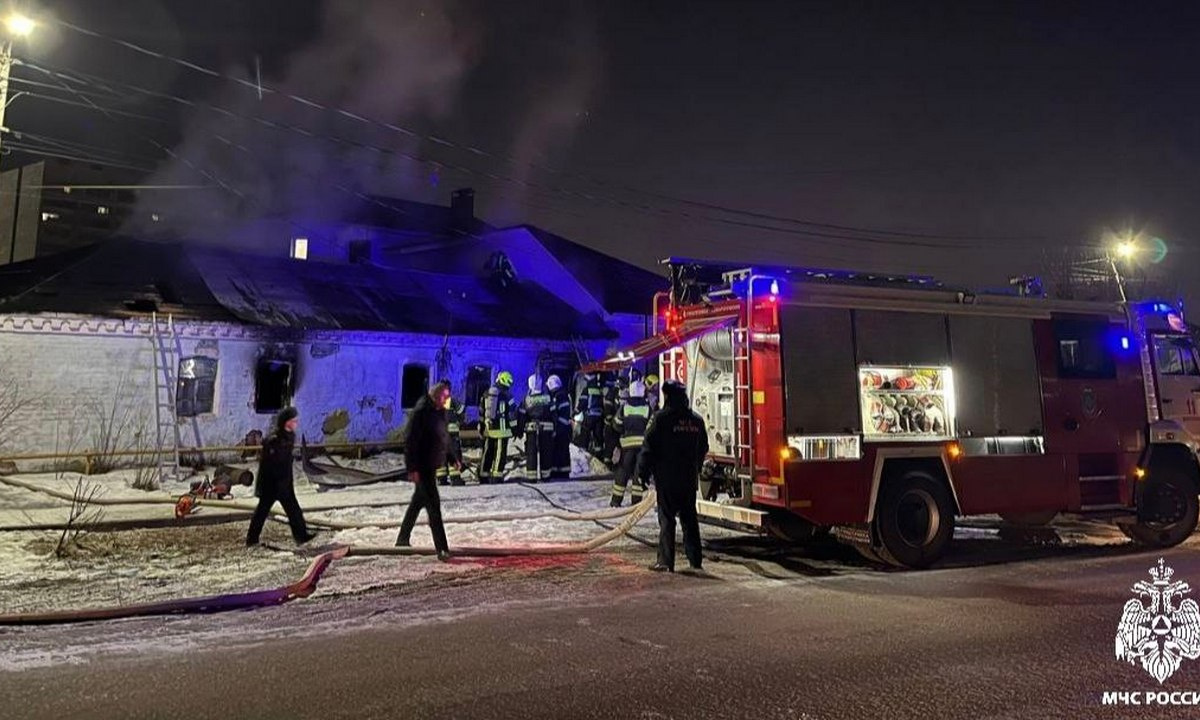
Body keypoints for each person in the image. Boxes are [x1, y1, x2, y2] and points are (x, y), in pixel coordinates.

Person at [638, 380, 709, 573]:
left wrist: (641, 473)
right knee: (689, 518)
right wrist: (696, 466)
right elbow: (703, 447)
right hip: (687, 478)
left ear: (667, 396)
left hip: (667, 478)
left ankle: (666, 561)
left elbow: (648, 448)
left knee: (667, 519)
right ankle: (695, 560)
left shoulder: (660, 419)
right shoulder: (696, 420)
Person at [395, 382, 452, 561]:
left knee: (417, 503)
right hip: (422, 466)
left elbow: (442, 437)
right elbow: (411, 442)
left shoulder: (438, 411)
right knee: (434, 507)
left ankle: (402, 539)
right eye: (444, 398)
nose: (447, 401)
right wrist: (412, 468)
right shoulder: (421, 412)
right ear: (435, 397)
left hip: (430, 465)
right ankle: (442, 548)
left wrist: (453, 458)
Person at [246, 407, 316, 547]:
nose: (296, 422)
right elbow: (269, 464)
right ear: (286, 422)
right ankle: (251, 539)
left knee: (293, 510)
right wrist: (273, 482)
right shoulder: (274, 440)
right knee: (262, 511)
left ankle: (301, 536)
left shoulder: (289, 437)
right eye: (293, 420)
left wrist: (286, 481)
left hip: (284, 483)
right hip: (271, 484)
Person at [610, 379, 651, 507]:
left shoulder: (625, 407)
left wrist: (624, 430)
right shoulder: (647, 408)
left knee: (622, 473)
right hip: (642, 447)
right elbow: (652, 426)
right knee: (638, 475)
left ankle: (616, 501)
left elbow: (616, 424)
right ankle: (636, 503)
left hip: (627, 447)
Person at [480, 371, 515, 483]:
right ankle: (497, 476)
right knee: (500, 453)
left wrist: (481, 426)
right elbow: (513, 414)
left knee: (487, 452)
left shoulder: (486, 393)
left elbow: (481, 411)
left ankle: (483, 475)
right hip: (502, 430)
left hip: (489, 428)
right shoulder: (508, 395)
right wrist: (515, 428)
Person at [518, 374, 554, 482]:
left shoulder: (526, 399)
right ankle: (546, 476)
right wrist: (555, 428)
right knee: (546, 452)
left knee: (531, 453)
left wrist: (519, 431)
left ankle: (532, 477)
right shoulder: (547, 398)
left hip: (531, 430)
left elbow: (522, 416)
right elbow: (553, 414)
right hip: (546, 430)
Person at [435, 378, 465, 486]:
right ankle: (455, 478)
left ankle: (441, 478)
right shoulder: (451, 400)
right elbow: (461, 411)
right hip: (451, 433)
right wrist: (460, 421)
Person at [547, 375, 573, 480]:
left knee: (560, 450)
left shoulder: (560, 396)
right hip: (563, 428)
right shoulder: (561, 395)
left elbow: (559, 414)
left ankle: (561, 473)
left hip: (561, 429)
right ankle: (559, 472)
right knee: (560, 450)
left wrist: (556, 428)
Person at [575, 371, 605, 455]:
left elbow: (582, 403)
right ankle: (598, 457)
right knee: (598, 438)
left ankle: (583, 455)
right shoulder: (599, 389)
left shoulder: (587, 389)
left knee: (584, 436)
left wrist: (576, 412)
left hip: (589, 416)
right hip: (599, 417)